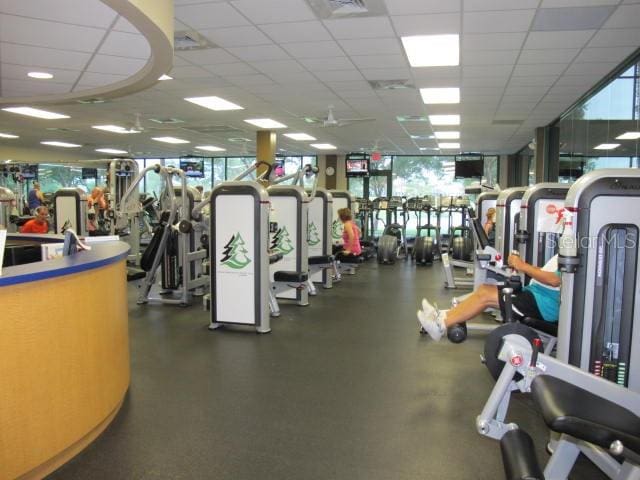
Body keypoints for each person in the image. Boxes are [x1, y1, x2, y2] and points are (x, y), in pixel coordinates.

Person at [417, 253, 561, 341]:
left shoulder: (572, 249)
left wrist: (522, 266)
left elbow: (555, 280)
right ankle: (441, 316)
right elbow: (547, 273)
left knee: (485, 296)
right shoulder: (566, 248)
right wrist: (522, 264)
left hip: (542, 305)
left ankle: (440, 326)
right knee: (484, 289)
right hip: (534, 294)